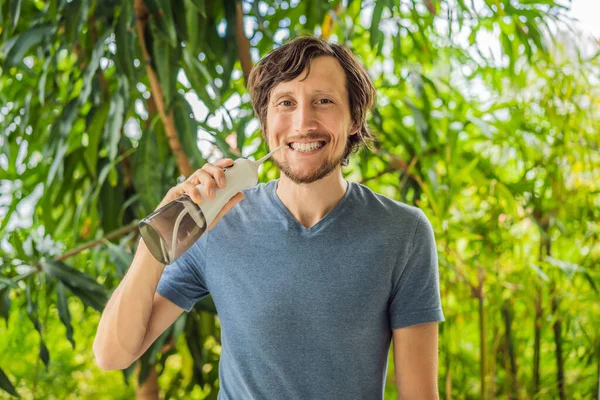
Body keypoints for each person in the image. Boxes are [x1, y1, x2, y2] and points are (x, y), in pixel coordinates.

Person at [93, 35, 444, 399]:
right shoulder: (217, 224)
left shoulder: (403, 232)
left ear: (354, 118)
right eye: (286, 103)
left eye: (323, 101)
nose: (303, 121)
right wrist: (158, 237)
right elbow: (112, 353)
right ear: (266, 122)